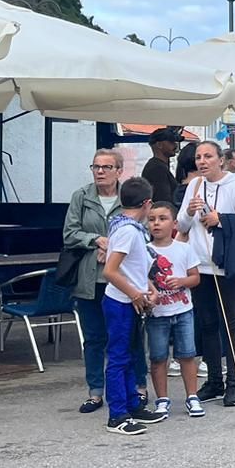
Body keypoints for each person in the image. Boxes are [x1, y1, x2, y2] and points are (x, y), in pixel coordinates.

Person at [178, 140, 235, 407]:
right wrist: (190, 212)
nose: (202, 161)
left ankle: (234, 383)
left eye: (208, 156)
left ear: (220, 160)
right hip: (200, 263)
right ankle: (214, 380)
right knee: (207, 323)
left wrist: (221, 219)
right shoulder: (194, 185)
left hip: (227, 264)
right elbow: (181, 224)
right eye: (199, 157)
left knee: (231, 323)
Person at [99, 177, 169, 436]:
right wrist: (136, 295)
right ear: (147, 204)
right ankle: (117, 414)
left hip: (127, 299)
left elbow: (133, 268)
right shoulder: (129, 231)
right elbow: (111, 270)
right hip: (121, 301)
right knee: (118, 358)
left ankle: (131, 404)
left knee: (130, 356)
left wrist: (148, 288)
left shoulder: (124, 226)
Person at [62, 147, 125, 415]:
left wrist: (112, 248)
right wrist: (96, 240)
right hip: (89, 277)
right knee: (94, 337)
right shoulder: (82, 196)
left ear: (119, 171)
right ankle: (95, 392)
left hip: (121, 278)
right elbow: (69, 233)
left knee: (126, 337)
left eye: (106, 167)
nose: (99, 172)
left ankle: (132, 389)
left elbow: (143, 231)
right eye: (95, 167)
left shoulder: (129, 196)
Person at [144, 202, 203, 417]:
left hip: (183, 310)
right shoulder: (145, 251)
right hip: (157, 313)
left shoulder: (184, 249)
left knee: (187, 355)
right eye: (152, 219)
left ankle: (192, 396)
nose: (157, 224)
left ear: (175, 223)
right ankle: (162, 398)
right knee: (158, 357)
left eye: (162, 218)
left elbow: (195, 277)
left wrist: (181, 281)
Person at [142, 128, 180, 204]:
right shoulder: (157, 169)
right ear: (159, 145)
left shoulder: (158, 166)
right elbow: (163, 200)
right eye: (171, 142)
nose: (175, 145)